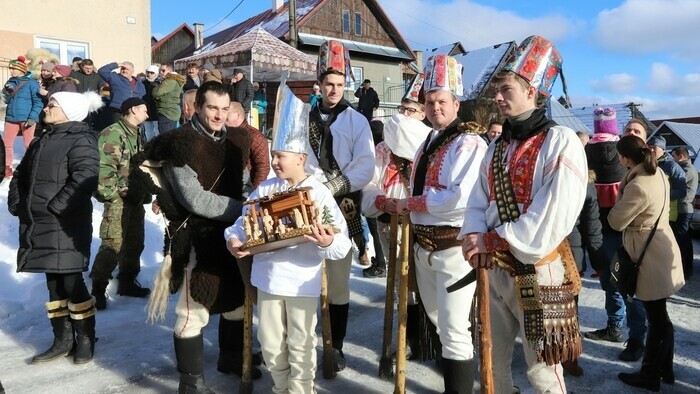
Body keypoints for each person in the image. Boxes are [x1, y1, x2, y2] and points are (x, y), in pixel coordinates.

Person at [461, 35, 586, 393]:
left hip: (538, 271)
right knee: (492, 362)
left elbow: (553, 214)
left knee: (543, 371)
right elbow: (477, 200)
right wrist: (474, 236)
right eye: (497, 89)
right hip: (495, 269)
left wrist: (493, 237)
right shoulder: (497, 147)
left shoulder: (560, 141)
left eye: (506, 88)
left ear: (532, 90)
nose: (498, 96)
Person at [225, 84, 352, 394]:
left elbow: (341, 242)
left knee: (301, 343)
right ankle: (281, 388)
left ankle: (300, 390)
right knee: (269, 344)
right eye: (273, 156)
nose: (276, 162)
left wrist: (326, 242)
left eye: (281, 156)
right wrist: (233, 239)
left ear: (301, 157)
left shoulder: (319, 193)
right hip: (267, 279)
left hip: (301, 281)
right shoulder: (266, 189)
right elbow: (242, 224)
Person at [131, 81, 253, 391]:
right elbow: (194, 199)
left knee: (236, 302)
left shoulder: (236, 142)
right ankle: (191, 381)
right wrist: (242, 209)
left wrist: (252, 201)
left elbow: (241, 183)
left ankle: (231, 357)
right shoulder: (179, 142)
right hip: (196, 237)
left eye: (225, 109)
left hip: (231, 236)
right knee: (193, 310)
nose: (219, 115)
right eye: (213, 107)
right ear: (197, 106)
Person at [394, 55, 487, 393]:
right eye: (429, 102)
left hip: (453, 249)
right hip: (424, 247)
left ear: (456, 103)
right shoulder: (426, 142)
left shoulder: (469, 143)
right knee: (437, 320)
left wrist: (411, 203)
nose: (435, 107)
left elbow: (457, 201)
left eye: (441, 101)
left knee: (453, 329)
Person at [8, 91, 103, 364]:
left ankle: (85, 338)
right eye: (48, 104)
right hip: (39, 224)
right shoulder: (41, 139)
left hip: (65, 223)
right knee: (54, 284)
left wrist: (54, 208)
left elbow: (86, 177)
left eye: (52, 105)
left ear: (69, 112)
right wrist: (18, 203)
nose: (46, 108)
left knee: (71, 282)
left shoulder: (82, 139)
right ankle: (62, 340)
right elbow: (20, 176)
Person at [307, 40, 375, 371]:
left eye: (339, 84)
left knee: (337, 284)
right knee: (303, 280)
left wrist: (333, 185)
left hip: (342, 207)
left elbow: (366, 166)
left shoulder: (356, 121)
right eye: (328, 84)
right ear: (319, 85)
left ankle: (336, 346)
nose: (334, 90)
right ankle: (303, 344)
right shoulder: (301, 119)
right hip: (305, 207)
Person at [610, 135, 685, 391]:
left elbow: (615, 221)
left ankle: (650, 375)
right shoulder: (660, 175)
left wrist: (619, 201)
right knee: (660, 316)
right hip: (661, 247)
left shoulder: (639, 184)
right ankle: (665, 369)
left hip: (647, 253)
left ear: (625, 158)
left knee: (656, 318)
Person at [584, 109, 649, 361]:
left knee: (632, 288)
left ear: (645, 140)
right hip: (607, 233)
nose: (631, 134)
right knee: (609, 281)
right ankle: (614, 327)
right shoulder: (615, 161)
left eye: (637, 131)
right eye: (627, 130)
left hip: (634, 236)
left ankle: (637, 339)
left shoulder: (649, 169)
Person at [361, 78, 431, 282]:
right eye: (402, 109)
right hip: (389, 221)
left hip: (422, 224)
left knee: (423, 281)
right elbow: (369, 182)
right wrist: (383, 201)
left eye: (411, 111)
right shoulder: (383, 148)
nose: (404, 115)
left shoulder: (430, 145)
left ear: (422, 115)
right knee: (397, 279)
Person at [89, 98, 151, 310]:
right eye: (144, 110)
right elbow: (104, 169)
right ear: (133, 110)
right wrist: (114, 196)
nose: (148, 115)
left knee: (135, 242)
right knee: (113, 244)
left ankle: (127, 281)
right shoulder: (112, 133)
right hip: (118, 199)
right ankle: (98, 288)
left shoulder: (137, 133)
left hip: (135, 197)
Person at [2, 56, 42, 178]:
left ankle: (30, 167)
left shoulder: (32, 83)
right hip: (11, 118)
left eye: (14, 68)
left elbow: (38, 102)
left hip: (27, 119)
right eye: (10, 68)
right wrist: (6, 94)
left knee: (28, 145)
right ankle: (7, 168)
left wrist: (32, 117)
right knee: (6, 144)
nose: (11, 71)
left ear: (22, 70)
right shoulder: (10, 82)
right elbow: (5, 100)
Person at [225, 101, 270, 193]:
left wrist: (252, 194)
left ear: (237, 115)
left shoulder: (255, 137)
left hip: (244, 191)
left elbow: (262, 168)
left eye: (225, 112)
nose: (221, 116)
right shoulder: (224, 133)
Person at [671, 146, 697, 279]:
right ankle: (686, 268)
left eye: (674, 156)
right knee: (684, 240)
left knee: (683, 240)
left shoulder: (686, 170)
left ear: (681, 156)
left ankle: (686, 269)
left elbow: (677, 183)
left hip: (683, 208)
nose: (673, 160)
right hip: (683, 208)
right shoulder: (688, 168)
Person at [153, 64, 185, 134]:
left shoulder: (170, 81)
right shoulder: (174, 80)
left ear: (170, 71)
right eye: (160, 71)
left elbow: (156, 93)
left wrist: (156, 87)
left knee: (165, 139)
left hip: (167, 113)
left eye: (163, 70)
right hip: (172, 112)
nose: (161, 72)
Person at [142, 65, 161, 141]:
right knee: (148, 131)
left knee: (157, 130)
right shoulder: (143, 83)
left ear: (156, 73)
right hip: (146, 109)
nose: (149, 74)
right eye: (148, 72)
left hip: (156, 109)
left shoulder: (160, 83)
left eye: (152, 73)